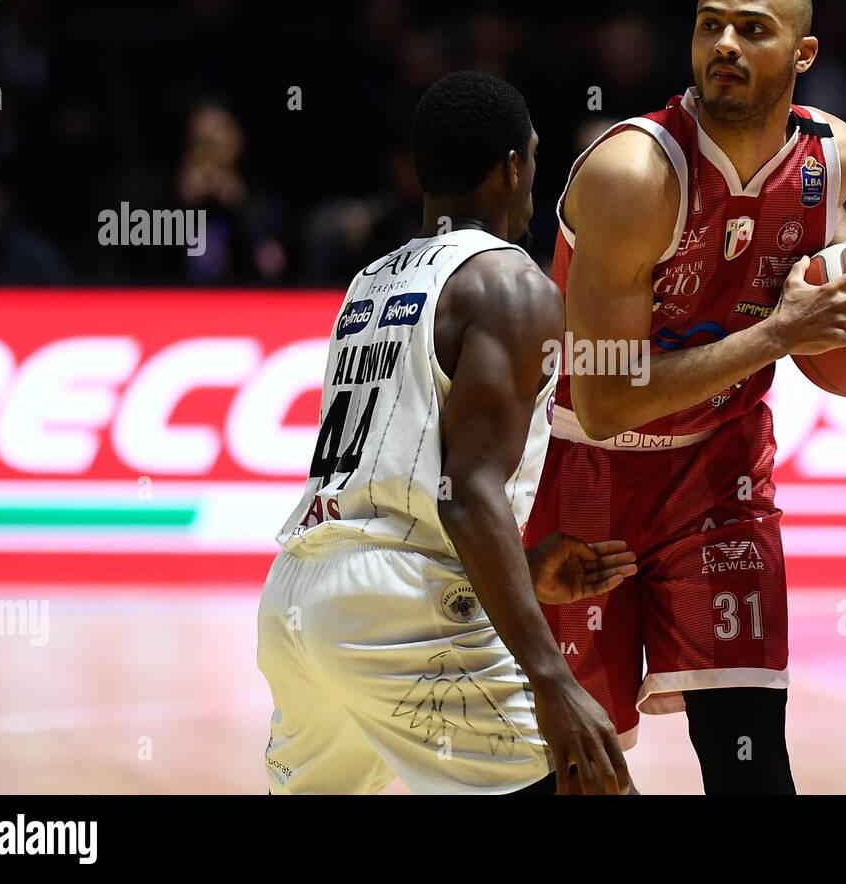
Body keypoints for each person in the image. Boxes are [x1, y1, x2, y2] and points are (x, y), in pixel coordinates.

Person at [525, 0, 846, 794]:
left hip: (719, 474)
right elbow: (605, 401)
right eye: (710, 24)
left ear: (804, 53)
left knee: (752, 757)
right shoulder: (634, 175)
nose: (724, 44)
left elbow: (844, 280)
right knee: (576, 773)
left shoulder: (832, 160)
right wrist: (781, 333)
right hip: (581, 472)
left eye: (752, 29)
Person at [257, 72, 636, 795]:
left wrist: (517, 568)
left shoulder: (370, 281)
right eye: (530, 160)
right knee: (592, 783)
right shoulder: (509, 284)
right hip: (401, 608)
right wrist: (550, 675)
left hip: (300, 597)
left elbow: (393, 484)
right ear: (513, 167)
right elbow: (464, 494)